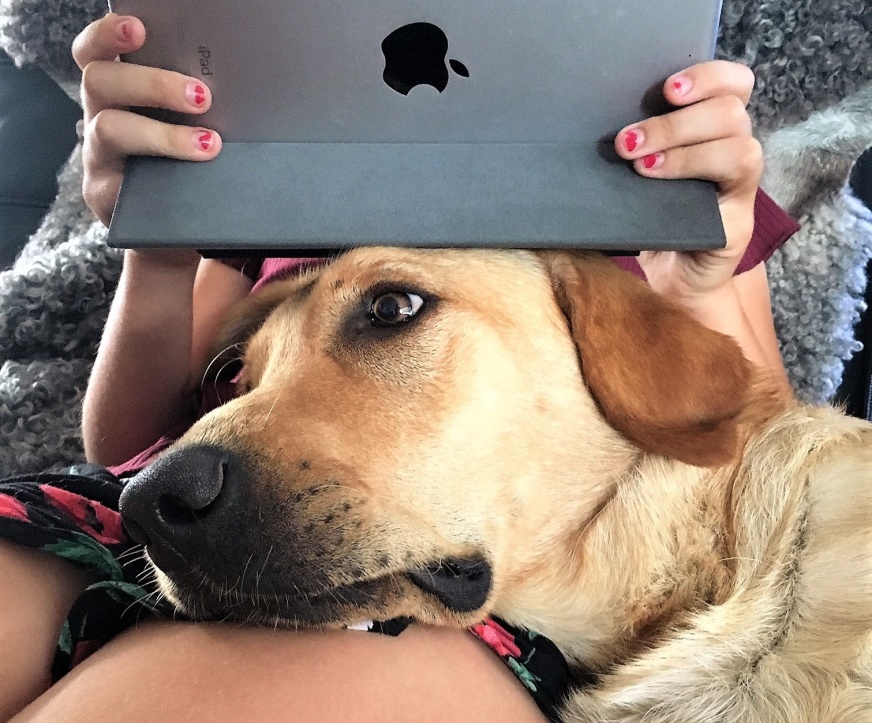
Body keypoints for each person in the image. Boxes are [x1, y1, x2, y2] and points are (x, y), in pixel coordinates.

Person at [0, 12, 798, 722]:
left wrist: (694, 285)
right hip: (135, 529)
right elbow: (135, 453)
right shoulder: (260, 144)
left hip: (498, 592)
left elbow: (769, 462)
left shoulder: (672, 151)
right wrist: (158, 245)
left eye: (391, 312)